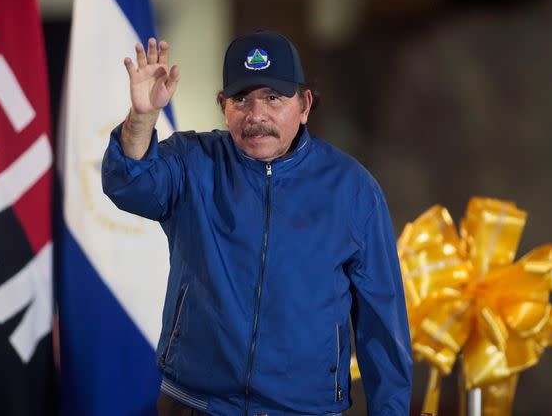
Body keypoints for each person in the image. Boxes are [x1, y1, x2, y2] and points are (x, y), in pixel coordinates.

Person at [102, 31, 412, 416]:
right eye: (241, 99)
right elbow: (128, 184)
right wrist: (143, 117)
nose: (256, 115)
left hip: (304, 410)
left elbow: (382, 325)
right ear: (223, 106)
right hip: (195, 405)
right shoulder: (191, 161)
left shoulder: (353, 190)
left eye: (273, 98)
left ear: (305, 105)